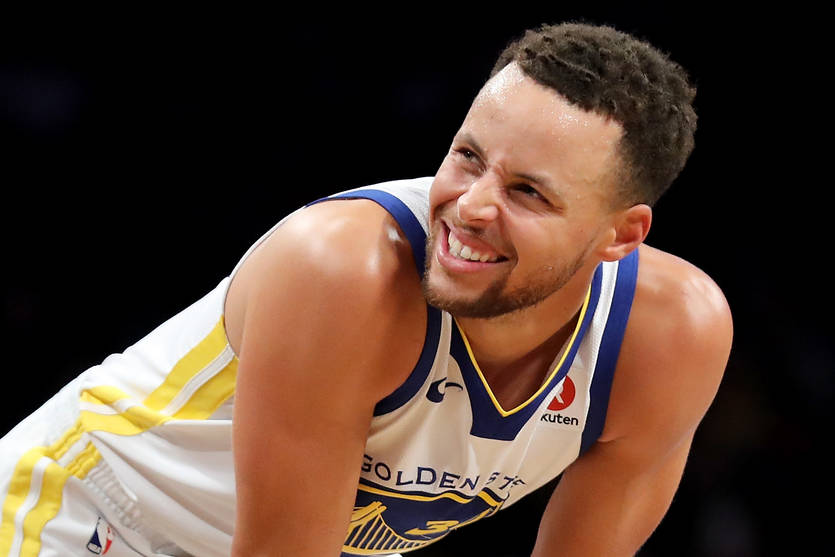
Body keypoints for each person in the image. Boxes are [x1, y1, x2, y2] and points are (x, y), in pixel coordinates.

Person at [0, 22, 732, 557]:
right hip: (89, 514)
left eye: (527, 192)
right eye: (467, 157)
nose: (471, 206)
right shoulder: (340, 272)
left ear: (622, 234)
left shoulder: (672, 337)